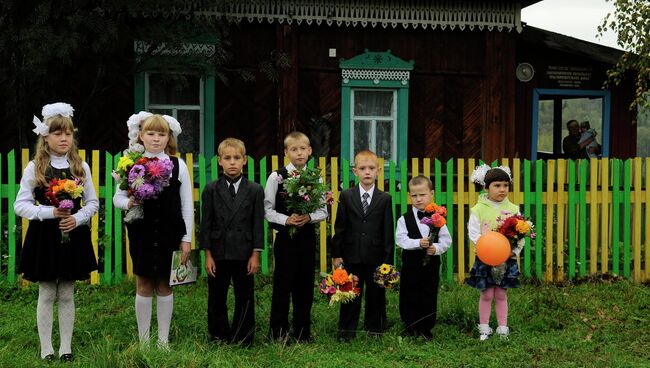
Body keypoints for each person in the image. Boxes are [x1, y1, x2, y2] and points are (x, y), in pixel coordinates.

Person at [15, 102, 98, 362]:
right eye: (57, 133)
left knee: (66, 293)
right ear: (45, 136)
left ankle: (66, 347)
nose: (63, 138)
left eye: (68, 133)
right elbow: (21, 205)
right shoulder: (35, 167)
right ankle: (46, 348)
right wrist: (50, 213)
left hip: (72, 234)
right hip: (45, 238)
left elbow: (93, 203)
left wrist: (77, 218)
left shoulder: (80, 167)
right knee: (48, 291)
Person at [113, 113, 193, 348]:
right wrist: (129, 202)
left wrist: (186, 239)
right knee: (144, 283)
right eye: (151, 133)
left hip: (170, 231)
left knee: (165, 285)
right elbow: (117, 197)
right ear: (140, 135)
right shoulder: (129, 162)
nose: (156, 139)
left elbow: (187, 203)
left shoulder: (178, 165)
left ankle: (163, 341)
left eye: (162, 134)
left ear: (169, 138)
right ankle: (144, 340)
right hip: (142, 232)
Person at [200, 138, 264, 346]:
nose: (232, 162)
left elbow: (257, 224)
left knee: (244, 296)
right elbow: (206, 224)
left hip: (244, 252)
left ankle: (243, 336)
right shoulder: (210, 189)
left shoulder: (254, 189)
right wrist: (207, 254)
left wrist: (255, 254)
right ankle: (218, 335)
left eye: (237, 158)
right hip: (218, 252)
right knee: (217, 296)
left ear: (245, 160)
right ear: (219, 161)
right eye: (227, 158)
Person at [265, 131, 328, 343]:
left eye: (303, 149)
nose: (299, 153)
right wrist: (286, 220)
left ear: (310, 151)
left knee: (304, 286)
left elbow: (323, 210)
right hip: (285, 238)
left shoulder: (315, 177)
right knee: (283, 285)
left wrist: (309, 216)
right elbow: (267, 209)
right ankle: (278, 333)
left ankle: (303, 332)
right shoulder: (277, 177)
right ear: (286, 152)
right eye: (294, 149)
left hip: (307, 238)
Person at [331, 150, 394, 340]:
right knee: (350, 293)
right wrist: (336, 254)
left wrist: (388, 261)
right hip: (351, 256)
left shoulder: (384, 199)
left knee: (376, 295)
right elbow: (339, 226)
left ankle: (375, 330)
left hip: (376, 257)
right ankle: (346, 331)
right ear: (355, 171)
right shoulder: (347, 196)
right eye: (362, 168)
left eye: (371, 168)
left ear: (378, 171)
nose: (367, 172)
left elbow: (387, 231)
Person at [465, 165, 523, 341]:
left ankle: (502, 328)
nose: (502, 189)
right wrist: (485, 249)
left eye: (505, 185)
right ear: (486, 187)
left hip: (507, 258)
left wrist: (515, 251)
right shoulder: (479, 209)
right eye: (497, 185)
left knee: (501, 294)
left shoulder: (513, 209)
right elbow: (473, 233)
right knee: (487, 293)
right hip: (486, 257)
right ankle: (484, 328)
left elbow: (521, 232)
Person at [395, 175, 451, 339]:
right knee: (409, 292)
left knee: (429, 293)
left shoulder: (439, 219)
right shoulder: (404, 219)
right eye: (414, 195)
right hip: (411, 263)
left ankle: (426, 327)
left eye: (422, 195)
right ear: (410, 195)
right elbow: (400, 239)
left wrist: (436, 248)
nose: (418, 199)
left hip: (431, 263)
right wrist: (418, 243)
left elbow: (446, 240)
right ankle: (410, 325)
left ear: (431, 194)